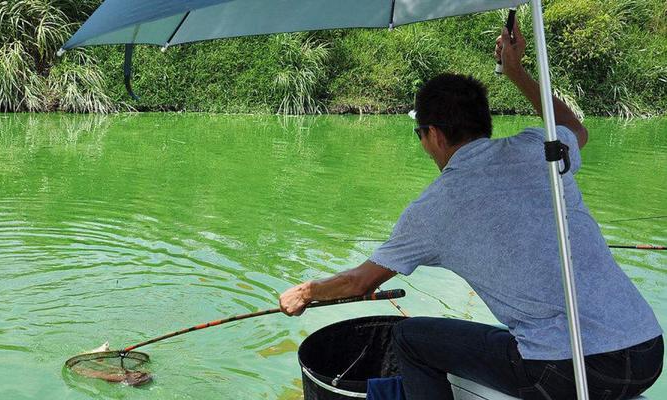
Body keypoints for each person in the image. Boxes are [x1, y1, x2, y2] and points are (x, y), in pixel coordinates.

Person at [279, 19, 663, 400]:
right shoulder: (538, 149)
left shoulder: (432, 209)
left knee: (409, 338)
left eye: (420, 135)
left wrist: (306, 292)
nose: (424, 144)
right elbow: (576, 129)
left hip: (568, 374)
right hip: (646, 353)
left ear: (435, 135)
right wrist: (517, 72)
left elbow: (360, 282)